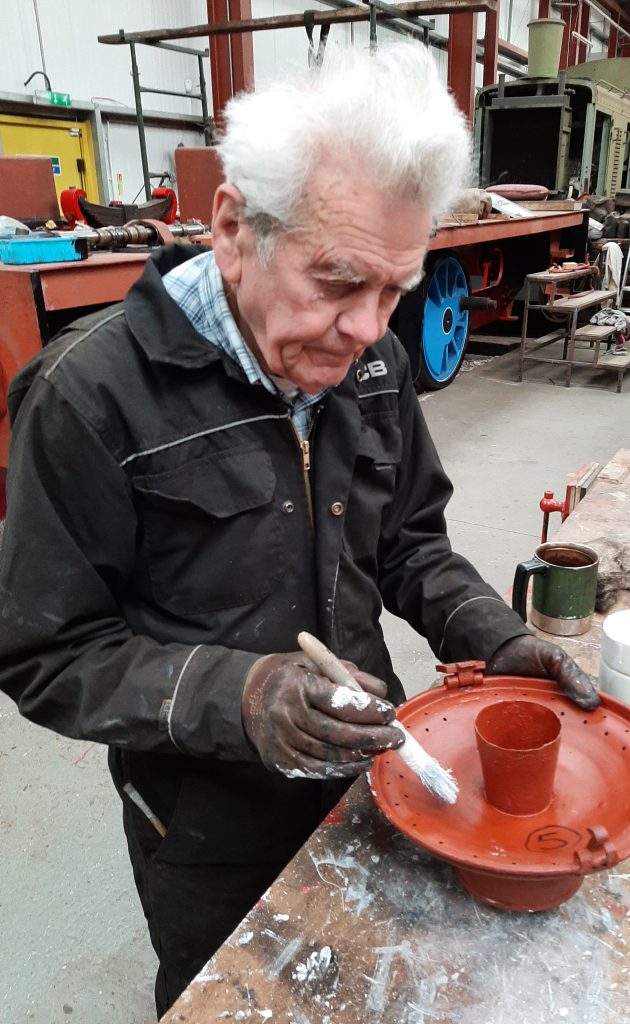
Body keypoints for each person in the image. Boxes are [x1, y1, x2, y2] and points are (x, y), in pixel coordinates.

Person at [0, 42, 598, 1018]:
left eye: (395, 290)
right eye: (337, 282)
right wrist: (239, 693)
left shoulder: (369, 364)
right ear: (234, 230)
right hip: (205, 829)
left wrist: (499, 638)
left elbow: (409, 541)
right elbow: (45, 650)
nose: (369, 327)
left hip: (373, 778)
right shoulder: (95, 397)